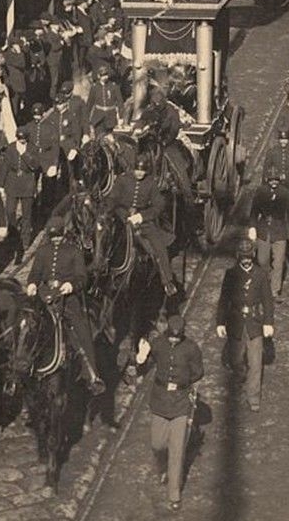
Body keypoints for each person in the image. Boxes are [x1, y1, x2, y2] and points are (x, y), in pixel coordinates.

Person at [25, 216, 105, 395]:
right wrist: (31, 284)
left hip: (67, 298)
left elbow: (82, 277)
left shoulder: (74, 251)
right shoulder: (42, 251)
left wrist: (71, 285)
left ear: (63, 234)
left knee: (82, 331)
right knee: (25, 324)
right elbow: (35, 273)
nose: (55, 240)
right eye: (53, 237)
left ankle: (92, 374)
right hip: (44, 295)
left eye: (58, 237)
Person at [135, 314, 204, 512]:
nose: (173, 340)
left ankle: (174, 495)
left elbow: (199, 372)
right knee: (157, 444)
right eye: (171, 337)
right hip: (160, 400)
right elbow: (144, 367)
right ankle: (162, 466)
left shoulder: (191, 348)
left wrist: (184, 381)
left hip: (180, 402)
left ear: (182, 334)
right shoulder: (158, 344)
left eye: (177, 337)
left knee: (177, 449)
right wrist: (141, 357)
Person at [215, 238, 274, 412]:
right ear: (238, 256)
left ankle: (253, 397)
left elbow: (268, 300)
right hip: (236, 323)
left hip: (254, 323)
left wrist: (268, 322)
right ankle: (240, 376)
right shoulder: (231, 274)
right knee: (236, 360)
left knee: (255, 362)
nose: (246, 260)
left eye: (249, 256)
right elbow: (224, 300)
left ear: (253, 255)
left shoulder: (261, 274)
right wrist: (220, 322)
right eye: (243, 257)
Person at [107, 157, 177, 295]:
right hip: (121, 218)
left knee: (159, 246)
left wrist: (141, 216)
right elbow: (112, 199)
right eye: (137, 170)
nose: (139, 173)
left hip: (143, 221)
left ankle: (167, 281)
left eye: (142, 170)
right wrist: (121, 214)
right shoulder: (122, 180)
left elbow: (159, 205)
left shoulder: (151, 183)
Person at [249, 169, 289, 296]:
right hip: (263, 231)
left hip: (280, 231)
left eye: (276, 180)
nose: (274, 182)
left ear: (279, 180)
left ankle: (274, 290)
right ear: (267, 180)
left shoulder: (285, 193)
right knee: (262, 261)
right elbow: (254, 211)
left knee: (278, 262)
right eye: (271, 180)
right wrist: (252, 227)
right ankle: (265, 283)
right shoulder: (261, 192)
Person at [0, 129, 37, 256]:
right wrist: (1, 185)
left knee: (27, 214)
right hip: (12, 183)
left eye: (23, 139)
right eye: (19, 139)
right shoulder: (11, 148)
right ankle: (13, 236)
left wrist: (25, 154)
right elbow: (5, 167)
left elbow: (35, 165)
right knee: (10, 211)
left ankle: (25, 240)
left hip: (27, 183)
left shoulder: (32, 148)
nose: (22, 141)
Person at [86, 65, 124, 135]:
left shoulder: (114, 86)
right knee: (99, 137)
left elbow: (120, 102)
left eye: (106, 75)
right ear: (98, 76)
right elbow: (90, 103)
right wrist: (86, 117)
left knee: (109, 137)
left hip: (110, 117)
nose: (105, 77)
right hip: (98, 117)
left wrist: (121, 117)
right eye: (103, 75)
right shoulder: (94, 87)